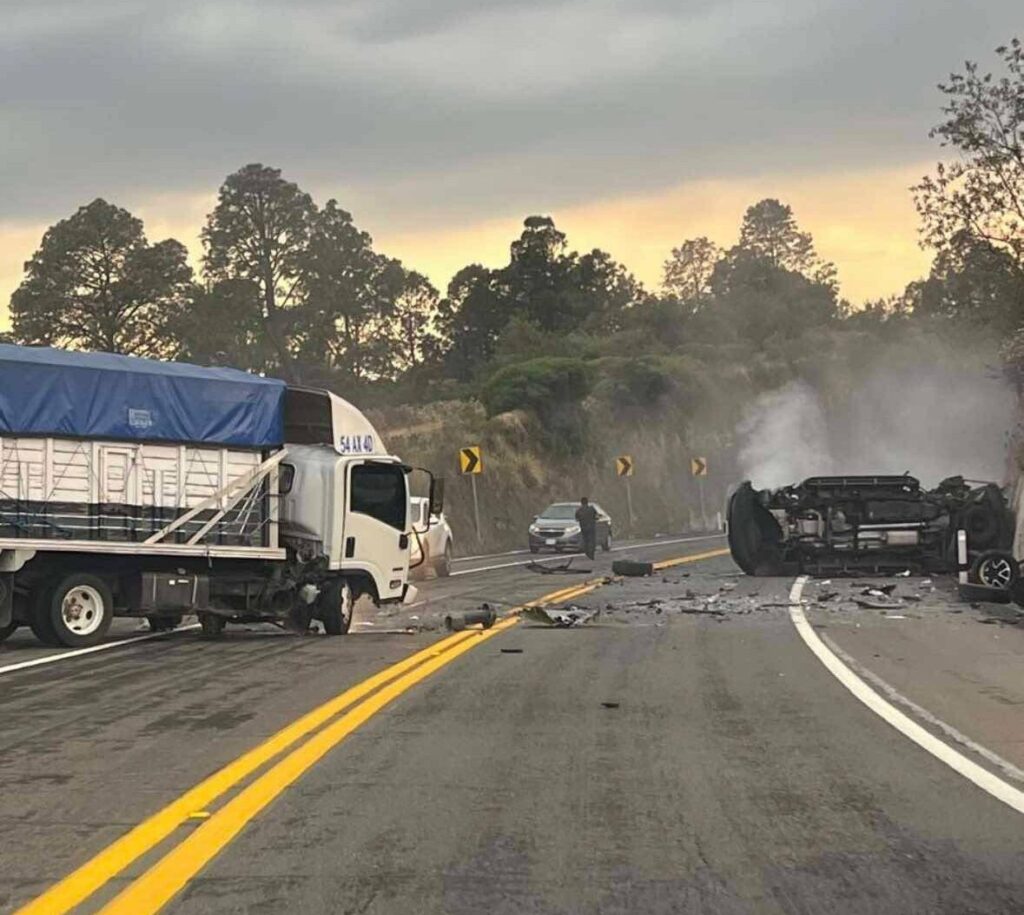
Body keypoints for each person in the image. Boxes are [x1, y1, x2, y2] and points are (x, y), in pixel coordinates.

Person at [576, 496, 599, 560]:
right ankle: (591, 554)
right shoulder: (591, 509)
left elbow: (576, 518)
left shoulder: (579, 510)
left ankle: (587, 553)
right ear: (587, 502)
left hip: (583, 527)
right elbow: (596, 516)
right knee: (592, 541)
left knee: (585, 540)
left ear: (581, 503)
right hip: (591, 527)